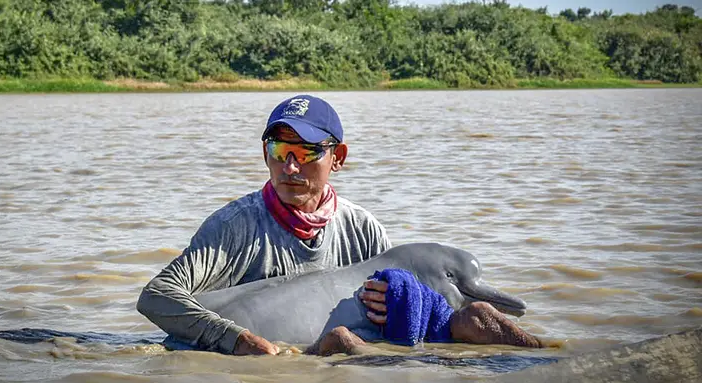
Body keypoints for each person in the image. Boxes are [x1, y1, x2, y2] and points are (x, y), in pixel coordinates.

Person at [137, 94, 543, 356]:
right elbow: (156, 298)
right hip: (241, 354)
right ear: (265, 154)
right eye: (279, 150)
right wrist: (237, 340)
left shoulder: (362, 229)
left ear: (339, 157)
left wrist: (398, 305)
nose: (290, 166)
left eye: (307, 151)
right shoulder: (234, 227)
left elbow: (404, 310)